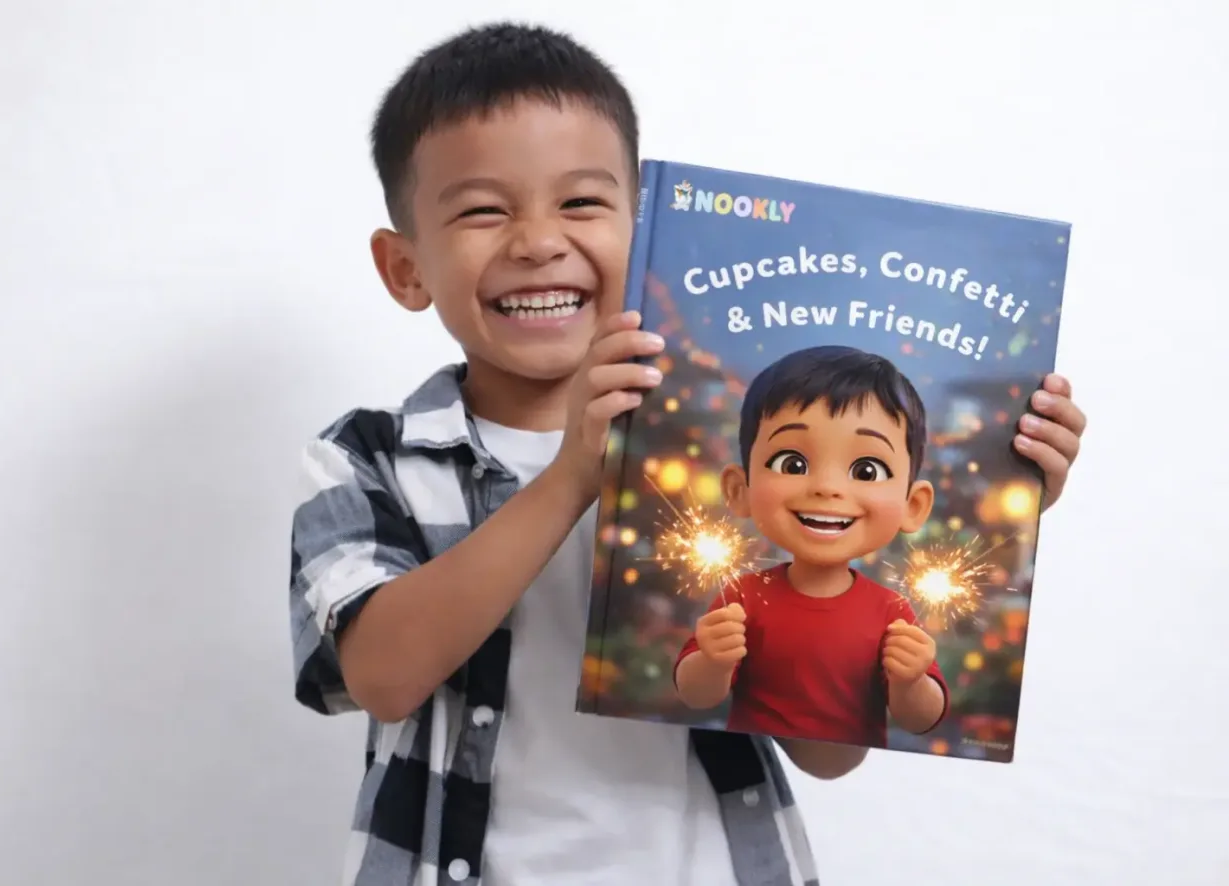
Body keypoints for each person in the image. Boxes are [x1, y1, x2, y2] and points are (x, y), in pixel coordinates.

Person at [287, 21, 1090, 886]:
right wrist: (572, 476)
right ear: (405, 268)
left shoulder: (725, 467)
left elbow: (825, 756)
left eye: (580, 203)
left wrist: (995, 520)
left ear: (645, 231)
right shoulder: (368, 456)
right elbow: (382, 677)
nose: (537, 242)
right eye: (484, 210)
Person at [674, 345, 949, 749]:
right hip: (757, 757)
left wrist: (912, 681)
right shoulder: (743, 597)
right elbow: (696, 697)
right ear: (739, 489)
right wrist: (712, 661)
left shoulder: (891, 611)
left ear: (913, 505)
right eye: (792, 464)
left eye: (866, 471)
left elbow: (920, 719)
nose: (827, 487)